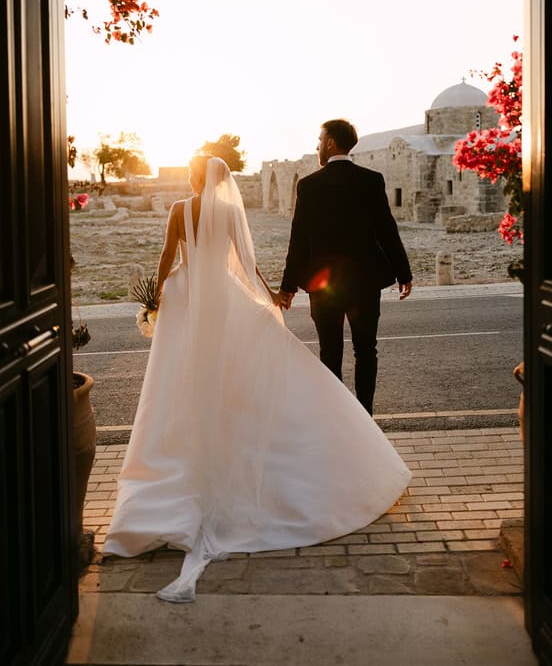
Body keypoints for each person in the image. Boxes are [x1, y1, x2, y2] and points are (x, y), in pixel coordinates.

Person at [103, 155, 410, 602]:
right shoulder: (229, 211)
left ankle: (193, 436)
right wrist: (269, 295)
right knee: (233, 364)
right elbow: (245, 263)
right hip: (225, 296)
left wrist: (158, 296)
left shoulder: (179, 210)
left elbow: (168, 256)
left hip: (189, 295)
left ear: (193, 178)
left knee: (186, 369)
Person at [279, 119, 413, 416]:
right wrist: (404, 272)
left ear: (330, 143)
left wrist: (287, 286)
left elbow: (298, 239)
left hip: (324, 285)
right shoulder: (371, 180)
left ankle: (336, 417)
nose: (317, 146)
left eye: (319, 140)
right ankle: (365, 416)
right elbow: (387, 230)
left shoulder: (309, 185)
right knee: (366, 350)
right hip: (365, 282)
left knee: (330, 352)